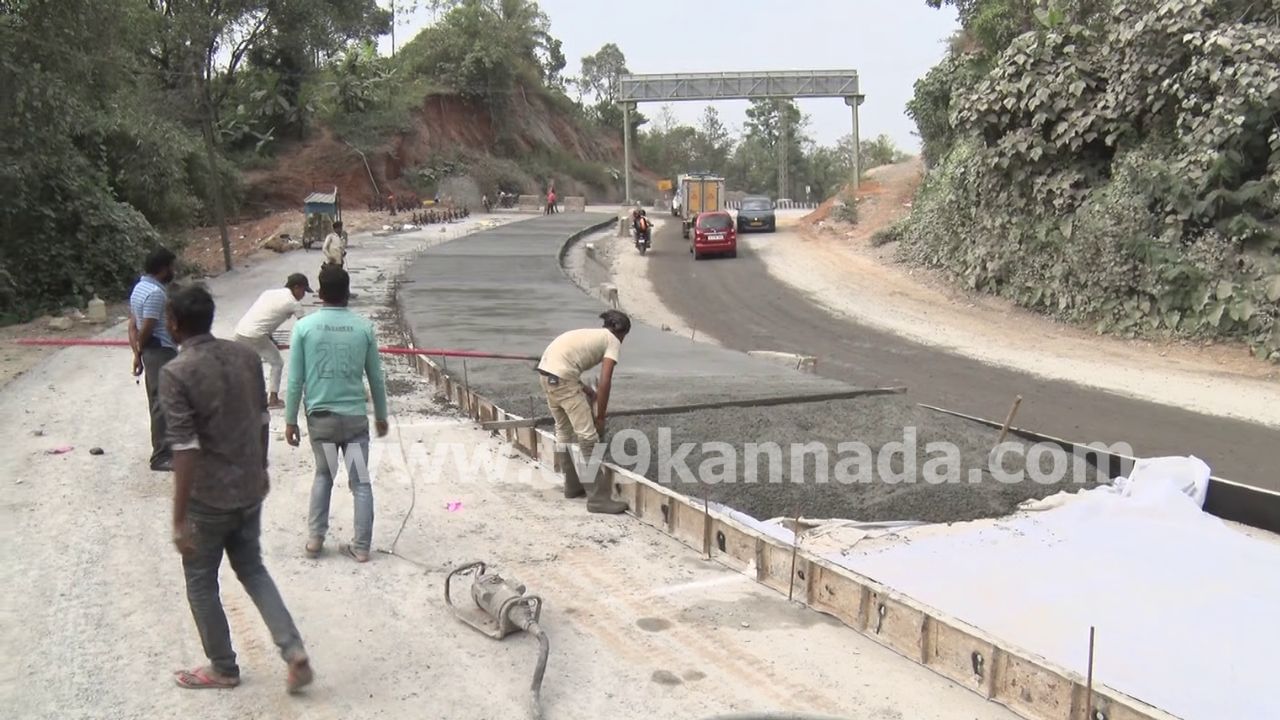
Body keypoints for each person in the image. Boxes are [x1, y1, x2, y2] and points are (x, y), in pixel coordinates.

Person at [159, 283, 313, 693]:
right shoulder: (244, 356)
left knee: (200, 580)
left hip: (207, 500)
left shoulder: (176, 372)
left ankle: (223, 667)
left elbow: (186, 449)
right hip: (249, 488)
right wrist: (260, 469)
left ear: (173, 324)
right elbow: (262, 419)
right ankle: (293, 649)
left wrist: (178, 519)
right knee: (252, 569)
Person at [284, 265, 388, 563]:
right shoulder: (363, 328)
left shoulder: (304, 328)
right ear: (347, 292)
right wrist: (381, 415)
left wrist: (290, 419)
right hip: (354, 420)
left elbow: (295, 380)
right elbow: (376, 378)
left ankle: (315, 540)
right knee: (361, 482)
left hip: (322, 420)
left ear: (321, 293)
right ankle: (362, 546)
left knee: (324, 475)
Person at [535, 310, 631, 514]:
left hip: (546, 376)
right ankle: (597, 500)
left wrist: (587, 390)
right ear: (622, 333)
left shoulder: (589, 335)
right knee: (588, 439)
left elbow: (564, 363)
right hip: (562, 379)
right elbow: (605, 381)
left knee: (563, 432)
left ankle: (572, 487)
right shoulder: (612, 340)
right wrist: (601, 416)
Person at [129, 246, 179, 471]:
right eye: (171, 267)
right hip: (160, 351)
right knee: (162, 402)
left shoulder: (140, 288)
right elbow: (146, 327)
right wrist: (140, 350)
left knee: (159, 400)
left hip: (150, 351)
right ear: (163, 269)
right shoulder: (156, 293)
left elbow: (132, 326)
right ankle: (161, 455)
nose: (173, 271)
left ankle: (168, 449)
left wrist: (137, 354)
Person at [234, 274, 312, 408]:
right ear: (296, 287)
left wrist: (271, 339)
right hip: (256, 335)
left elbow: (263, 316)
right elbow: (305, 327)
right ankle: (273, 399)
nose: (304, 295)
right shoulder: (293, 303)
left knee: (244, 365)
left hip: (240, 331)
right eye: (304, 291)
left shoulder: (269, 293)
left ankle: (238, 396)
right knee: (277, 363)